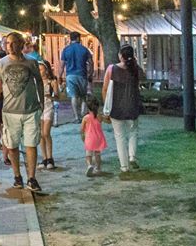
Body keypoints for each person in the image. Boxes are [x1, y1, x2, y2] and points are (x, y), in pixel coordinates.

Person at [0, 32, 45, 191]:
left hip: (30, 110)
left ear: (21, 44)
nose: (10, 46)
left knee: (31, 144)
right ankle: (17, 175)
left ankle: (32, 177)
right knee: (12, 145)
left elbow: (39, 82)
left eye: (14, 43)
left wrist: (41, 101)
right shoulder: (1, 63)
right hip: (10, 111)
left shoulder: (31, 62)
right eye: (8, 43)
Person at [102, 45, 143, 173]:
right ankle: (132, 156)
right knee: (133, 133)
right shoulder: (136, 69)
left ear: (120, 55)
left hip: (116, 107)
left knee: (119, 137)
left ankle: (124, 166)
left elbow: (104, 89)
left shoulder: (111, 69)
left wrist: (106, 108)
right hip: (132, 106)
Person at [60, 31, 92, 123]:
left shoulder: (66, 50)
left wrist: (59, 77)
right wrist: (90, 73)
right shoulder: (84, 49)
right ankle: (83, 114)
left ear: (70, 38)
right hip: (82, 75)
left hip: (70, 76)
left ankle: (76, 117)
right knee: (83, 96)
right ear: (78, 38)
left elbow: (62, 65)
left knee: (73, 96)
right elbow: (91, 63)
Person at [38, 60, 60, 168]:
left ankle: (50, 157)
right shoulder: (36, 81)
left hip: (48, 107)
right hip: (38, 108)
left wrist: (50, 96)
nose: (39, 71)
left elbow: (57, 96)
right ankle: (44, 158)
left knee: (46, 133)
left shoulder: (52, 81)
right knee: (41, 134)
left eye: (41, 69)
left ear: (46, 70)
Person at [80, 96, 108, 176]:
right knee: (97, 154)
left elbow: (81, 130)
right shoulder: (99, 116)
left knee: (88, 154)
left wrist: (83, 138)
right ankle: (98, 168)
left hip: (89, 139)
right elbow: (109, 121)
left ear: (88, 107)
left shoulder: (85, 118)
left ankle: (89, 165)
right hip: (98, 138)